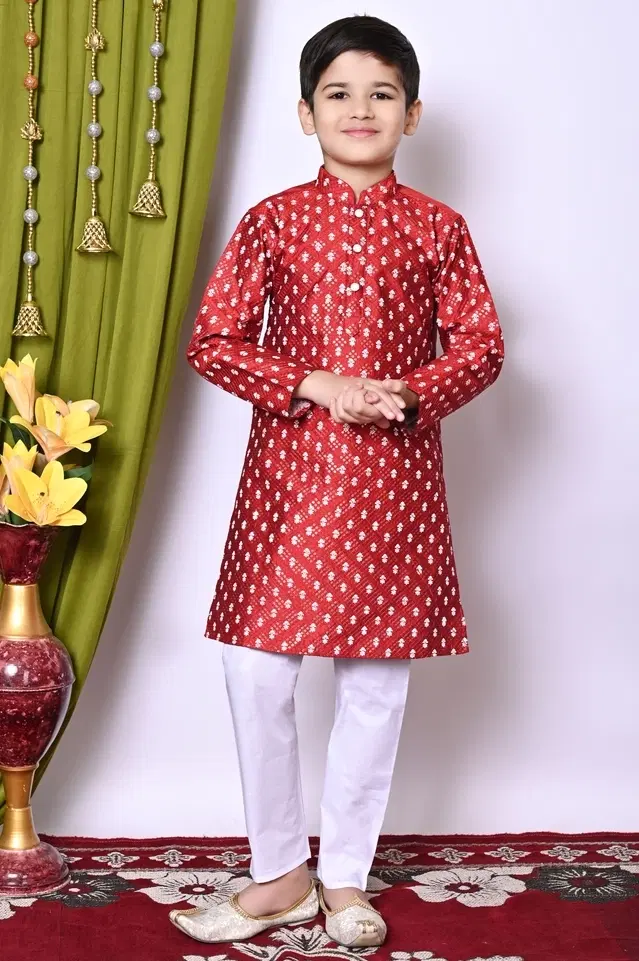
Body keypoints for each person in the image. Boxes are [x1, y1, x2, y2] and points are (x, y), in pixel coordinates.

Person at [170, 13, 504, 950]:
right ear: (305, 113)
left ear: (412, 113)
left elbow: (480, 345)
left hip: (393, 479)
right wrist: (315, 383)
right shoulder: (272, 220)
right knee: (254, 667)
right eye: (339, 93)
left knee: (374, 683)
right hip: (288, 477)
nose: (361, 109)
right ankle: (280, 872)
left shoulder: (438, 227)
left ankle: (346, 876)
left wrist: (406, 392)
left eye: (381, 93)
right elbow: (212, 341)